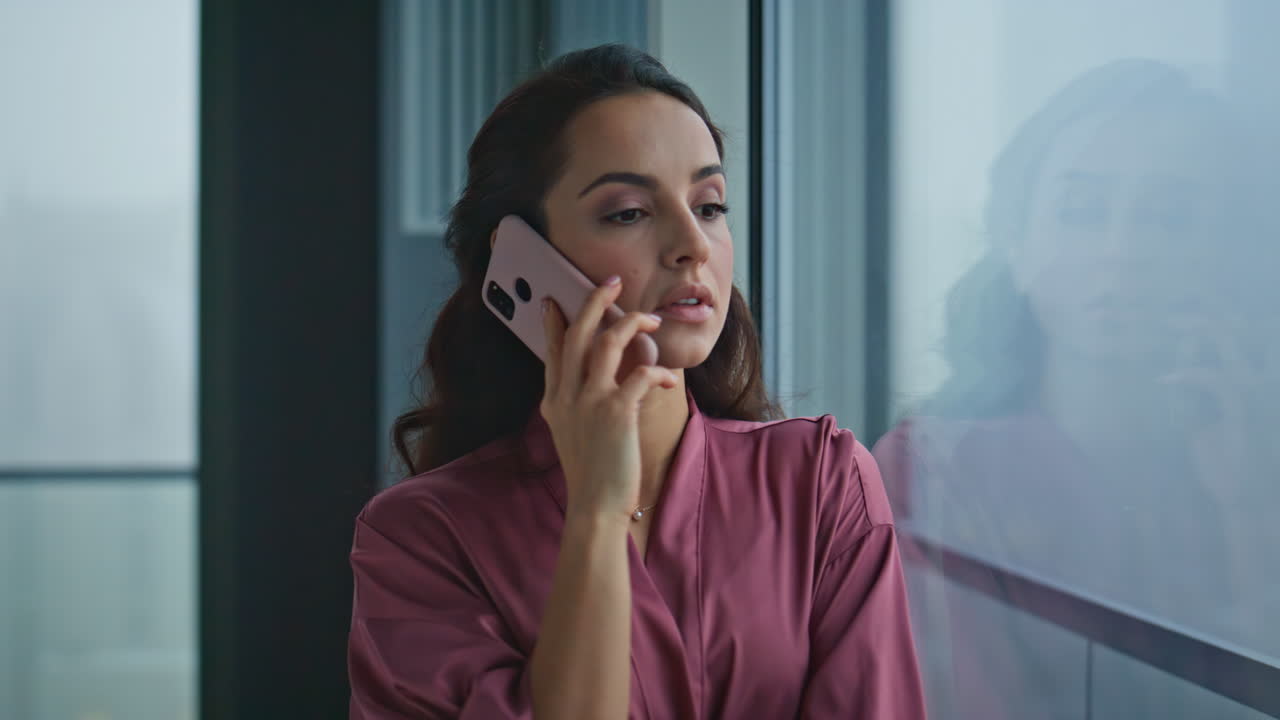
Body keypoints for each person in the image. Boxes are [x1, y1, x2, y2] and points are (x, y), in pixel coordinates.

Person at [347, 44, 926, 719]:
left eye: (709, 205)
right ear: (522, 262)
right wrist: (597, 508)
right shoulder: (421, 538)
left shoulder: (820, 482)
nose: (694, 245)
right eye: (628, 212)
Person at [874, 58, 1279, 718]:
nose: (1123, 249)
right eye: (1082, 210)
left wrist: (1246, 503)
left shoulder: (1250, 461)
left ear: (1229, 251)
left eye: (1170, 216)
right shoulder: (935, 472)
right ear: (1016, 238)